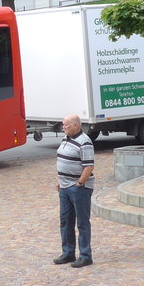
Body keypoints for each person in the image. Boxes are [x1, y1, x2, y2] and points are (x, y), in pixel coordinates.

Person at [54, 114, 95, 268]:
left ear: (76, 125)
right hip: (64, 187)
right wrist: (60, 180)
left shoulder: (84, 142)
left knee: (82, 222)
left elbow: (89, 166)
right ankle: (68, 253)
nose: (63, 127)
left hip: (78, 188)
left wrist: (79, 183)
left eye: (66, 125)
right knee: (66, 221)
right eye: (63, 124)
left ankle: (85, 255)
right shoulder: (65, 139)